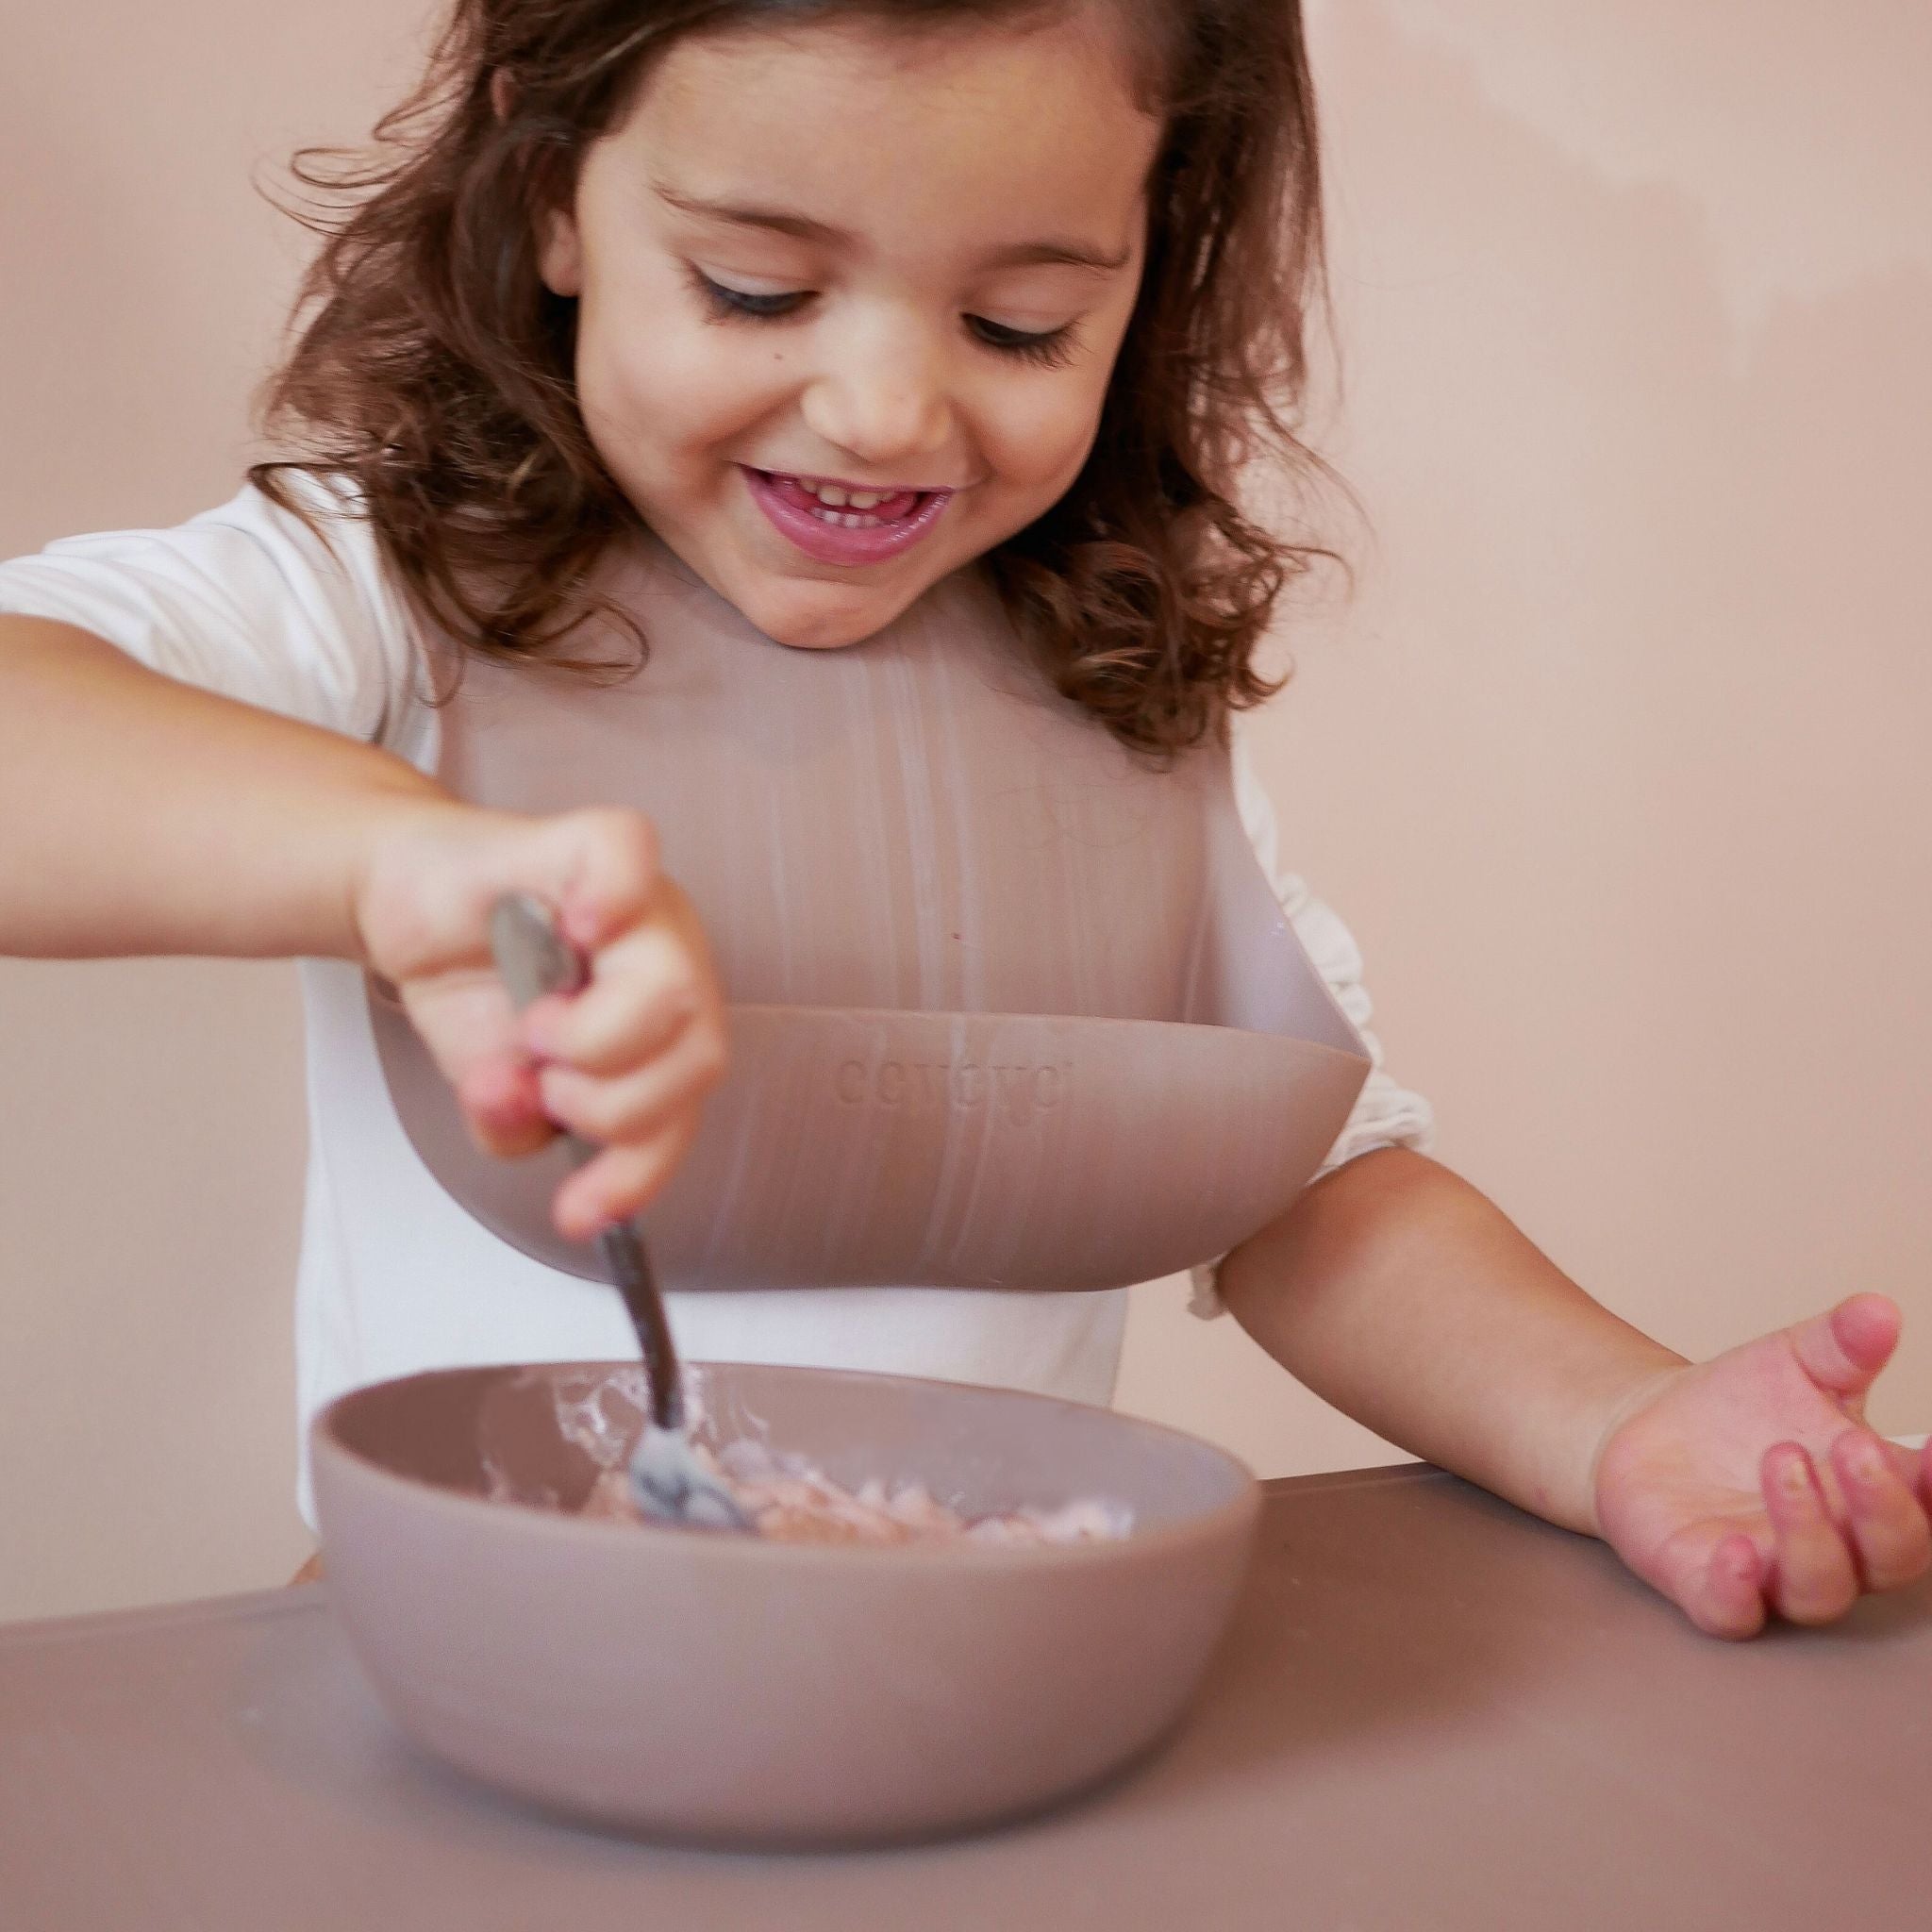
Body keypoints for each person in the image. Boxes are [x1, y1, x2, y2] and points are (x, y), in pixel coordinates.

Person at [1, 0, 1924, 1640]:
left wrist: (1617, 1423)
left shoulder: (1110, 692)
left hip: (954, 1695)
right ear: (551, 190)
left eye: (1015, 323)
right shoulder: (386, 600)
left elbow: (1307, 1187)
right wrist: (400, 858)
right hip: (457, 1677)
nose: (882, 410)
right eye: (757, 286)